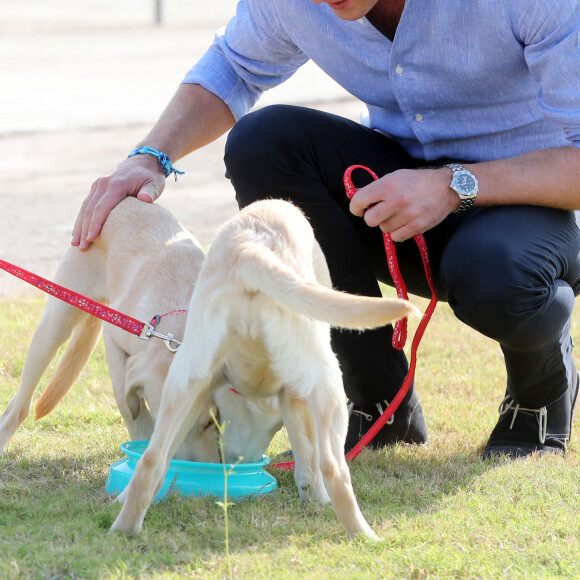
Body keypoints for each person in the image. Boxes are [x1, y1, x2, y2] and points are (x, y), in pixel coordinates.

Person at [72, 0, 580, 458]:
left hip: (529, 206)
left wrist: (451, 184)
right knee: (264, 141)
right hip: (399, 197)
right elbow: (233, 66)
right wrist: (151, 156)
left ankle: (540, 394)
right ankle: (380, 400)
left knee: (498, 276)